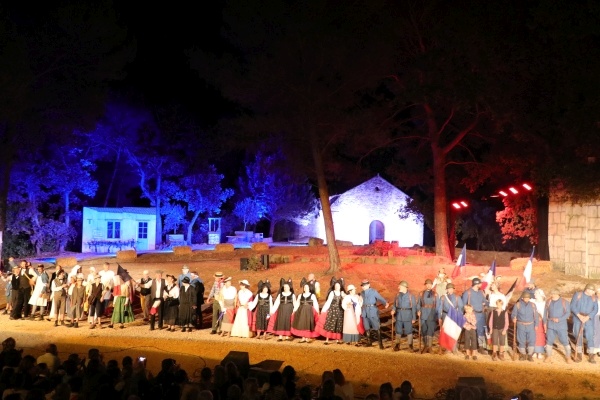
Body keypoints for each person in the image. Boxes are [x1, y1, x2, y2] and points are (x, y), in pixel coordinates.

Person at [570, 283, 598, 363]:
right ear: (587, 289)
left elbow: (595, 309)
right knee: (578, 336)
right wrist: (579, 316)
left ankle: (591, 355)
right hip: (578, 319)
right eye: (592, 290)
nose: (593, 292)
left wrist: (588, 317)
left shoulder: (594, 297)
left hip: (588, 320)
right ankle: (579, 354)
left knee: (590, 337)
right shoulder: (577, 295)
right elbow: (572, 306)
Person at [543, 288, 571, 364]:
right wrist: (545, 322)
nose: (552, 295)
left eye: (554, 294)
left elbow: (568, 313)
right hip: (551, 325)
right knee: (549, 341)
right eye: (552, 294)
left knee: (565, 341)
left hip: (561, 325)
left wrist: (559, 319)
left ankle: (568, 357)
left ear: (558, 294)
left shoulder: (565, 302)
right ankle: (548, 356)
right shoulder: (548, 301)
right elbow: (545, 313)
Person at [461, 278, 488, 354]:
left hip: (481, 314)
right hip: (472, 315)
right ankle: (469, 347)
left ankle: (481, 347)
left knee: (481, 331)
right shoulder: (468, 292)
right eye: (480, 283)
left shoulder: (481, 292)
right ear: (476, 284)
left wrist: (488, 303)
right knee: (470, 331)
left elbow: (485, 302)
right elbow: (463, 305)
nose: (481, 285)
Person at [360, 279, 388, 349]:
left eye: (365, 285)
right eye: (363, 285)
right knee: (367, 327)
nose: (363, 287)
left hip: (372, 310)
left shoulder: (373, 291)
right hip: (365, 311)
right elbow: (360, 301)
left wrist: (385, 303)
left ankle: (380, 344)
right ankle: (369, 342)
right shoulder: (362, 293)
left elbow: (380, 298)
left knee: (377, 327)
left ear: (368, 285)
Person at [316, 278, 346, 344]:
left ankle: (337, 339)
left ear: (340, 286)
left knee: (338, 325)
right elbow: (328, 302)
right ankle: (327, 339)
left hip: (340, 311)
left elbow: (346, 300)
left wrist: (344, 295)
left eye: (338, 286)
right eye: (336, 286)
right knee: (330, 324)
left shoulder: (342, 293)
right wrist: (324, 309)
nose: (337, 287)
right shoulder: (332, 293)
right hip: (332, 310)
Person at [291, 278, 320, 342]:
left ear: (309, 288)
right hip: (301, 311)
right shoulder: (300, 295)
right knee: (302, 324)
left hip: (309, 312)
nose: (305, 288)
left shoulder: (312, 295)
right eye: (304, 287)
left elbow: (315, 304)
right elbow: (297, 304)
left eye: (307, 287)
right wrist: (294, 311)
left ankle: (307, 337)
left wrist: (317, 311)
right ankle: (303, 337)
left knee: (308, 324)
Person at [437, 282, 463, 354]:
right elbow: (440, 308)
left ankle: (454, 348)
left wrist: (459, 317)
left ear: (453, 289)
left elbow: (460, 307)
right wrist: (439, 317)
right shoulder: (443, 297)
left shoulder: (457, 297)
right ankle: (447, 348)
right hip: (445, 316)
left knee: (454, 332)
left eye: (451, 289)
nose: (450, 290)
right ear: (447, 290)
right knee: (447, 332)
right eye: (449, 289)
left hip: (454, 316)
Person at [511, 292, 538, 361]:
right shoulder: (518, 305)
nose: (526, 299)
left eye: (528, 298)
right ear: (522, 298)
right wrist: (513, 318)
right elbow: (513, 314)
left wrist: (536, 324)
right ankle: (522, 354)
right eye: (525, 298)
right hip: (521, 325)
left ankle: (530, 355)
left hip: (530, 325)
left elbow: (536, 316)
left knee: (531, 340)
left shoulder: (533, 305)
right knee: (521, 340)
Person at [391, 281, 416, 352]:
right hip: (399, 315)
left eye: (400, 286)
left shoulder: (411, 296)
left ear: (404, 287)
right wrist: (393, 310)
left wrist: (414, 318)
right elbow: (395, 305)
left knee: (409, 331)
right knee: (398, 331)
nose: (398, 287)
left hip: (408, 316)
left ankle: (410, 345)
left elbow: (414, 308)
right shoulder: (397, 295)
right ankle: (397, 345)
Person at [417, 279, 438, 353]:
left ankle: (430, 347)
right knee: (424, 330)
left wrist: (438, 315)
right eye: (427, 284)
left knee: (430, 330)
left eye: (430, 284)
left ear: (432, 285)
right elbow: (418, 304)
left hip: (432, 314)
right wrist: (418, 310)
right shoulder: (421, 294)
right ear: (425, 285)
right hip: (423, 314)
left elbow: (438, 305)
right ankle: (425, 346)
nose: (428, 285)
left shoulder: (435, 294)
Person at [532, 289, 546, 359]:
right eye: (535, 293)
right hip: (533, 322)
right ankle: (534, 352)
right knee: (533, 336)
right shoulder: (532, 302)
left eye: (536, 293)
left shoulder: (544, 303)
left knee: (540, 337)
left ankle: (539, 352)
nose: (534, 294)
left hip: (541, 322)